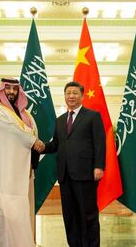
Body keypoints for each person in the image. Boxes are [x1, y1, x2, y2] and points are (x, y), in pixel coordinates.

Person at [38, 81, 106, 247]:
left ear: (82, 96)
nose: (71, 96)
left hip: (85, 174)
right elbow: (56, 144)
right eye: (68, 93)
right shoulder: (60, 120)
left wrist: (99, 166)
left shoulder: (92, 116)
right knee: (70, 215)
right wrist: (41, 147)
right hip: (65, 175)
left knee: (87, 215)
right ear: (65, 96)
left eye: (75, 93)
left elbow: (100, 143)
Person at [0, 78, 43, 247]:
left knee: (21, 214)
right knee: (1, 218)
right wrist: (31, 140)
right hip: (2, 176)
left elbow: (30, 134)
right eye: (7, 88)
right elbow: (7, 129)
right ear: (1, 90)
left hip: (24, 174)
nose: (11, 92)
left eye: (14, 89)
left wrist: (33, 141)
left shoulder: (26, 115)